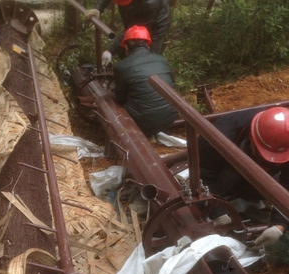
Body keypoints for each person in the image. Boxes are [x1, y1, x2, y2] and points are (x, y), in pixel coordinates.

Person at [198, 106, 289, 249]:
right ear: (252, 137)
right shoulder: (218, 136)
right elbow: (203, 175)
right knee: (227, 180)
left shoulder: (286, 142)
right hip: (226, 170)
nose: (268, 161)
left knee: (274, 186)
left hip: (268, 174)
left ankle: (251, 194)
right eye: (264, 155)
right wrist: (217, 211)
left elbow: (288, 185)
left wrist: (279, 225)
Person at [112, 25, 178, 137]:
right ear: (147, 45)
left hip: (142, 123)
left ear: (126, 47)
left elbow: (120, 98)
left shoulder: (121, 66)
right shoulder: (162, 60)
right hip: (170, 117)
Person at [85, 0, 170, 65]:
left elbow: (132, 29)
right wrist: (97, 8)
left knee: (148, 59)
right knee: (125, 50)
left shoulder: (150, 4)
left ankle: (148, 79)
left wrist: (110, 50)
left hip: (155, 26)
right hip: (133, 14)